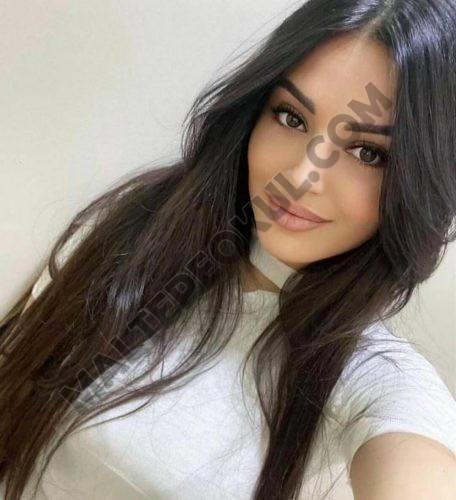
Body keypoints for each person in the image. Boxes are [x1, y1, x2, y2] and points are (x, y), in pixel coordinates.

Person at [1, 0, 456, 498]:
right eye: (291, 117)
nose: (302, 176)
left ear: (419, 180)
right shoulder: (141, 227)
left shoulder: (373, 376)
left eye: (367, 152)